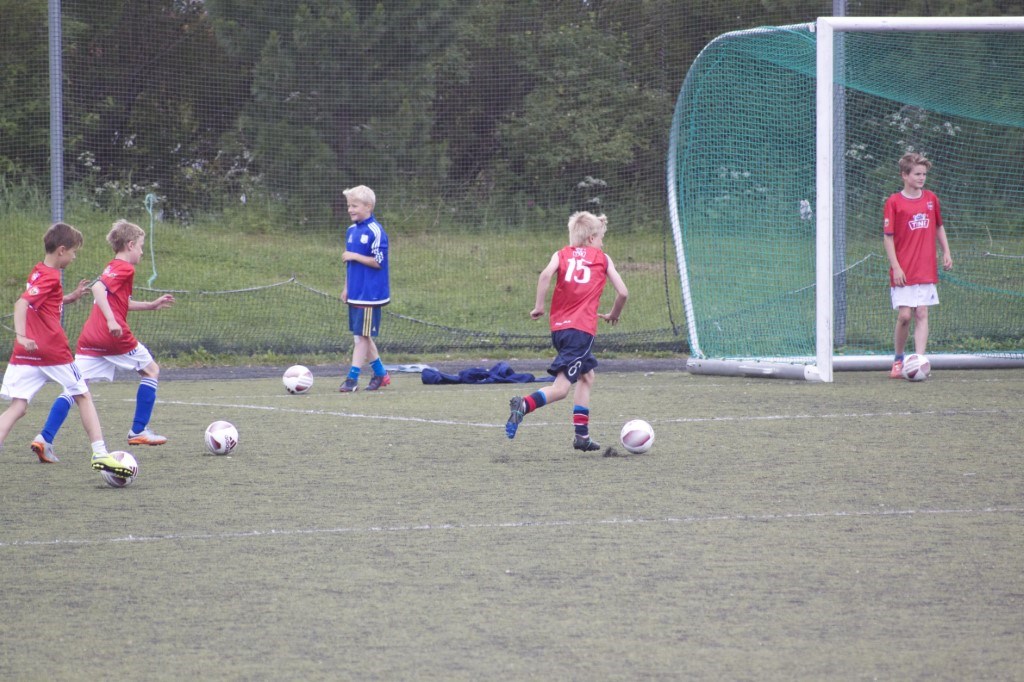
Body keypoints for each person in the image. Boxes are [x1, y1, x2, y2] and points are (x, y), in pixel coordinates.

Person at [30, 220, 175, 462]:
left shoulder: (112, 266)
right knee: (151, 370)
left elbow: (117, 300)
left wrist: (150, 305)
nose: (141, 251)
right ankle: (138, 430)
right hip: (112, 337)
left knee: (74, 386)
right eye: (140, 246)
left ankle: (45, 438)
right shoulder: (126, 269)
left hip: (90, 337)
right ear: (130, 245)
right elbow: (98, 289)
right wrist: (111, 321)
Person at [0, 222, 133, 478]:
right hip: (51, 350)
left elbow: (41, 300)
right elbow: (21, 304)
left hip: (25, 355)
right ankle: (100, 453)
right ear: (61, 250)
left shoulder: (39, 271)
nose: (74, 256)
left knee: (18, 406)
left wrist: (68, 298)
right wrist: (22, 335)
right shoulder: (51, 276)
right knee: (82, 395)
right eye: (73, 252)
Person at [505, 211, 628, 451]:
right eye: (601, 238)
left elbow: (545, 275)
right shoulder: (603, 258)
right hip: (580, 331)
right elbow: (623, 293)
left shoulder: (560, 254)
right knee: (561, 389)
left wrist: (539, 306)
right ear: (592, 238)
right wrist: (614, 314)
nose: (603, 243)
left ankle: (581, 436)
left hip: (559, 330)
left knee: (587, 375)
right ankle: (524, 405)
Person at [883, 152, 953, 378]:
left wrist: (946, 252)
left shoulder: (931, 199)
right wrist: (896, 267)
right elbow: (888, 237)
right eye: (917, 174)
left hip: (925, 268)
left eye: (924, 174)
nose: (922, 178)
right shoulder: (894, 202)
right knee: (905, 316)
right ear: (904, 175)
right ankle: (898, 359)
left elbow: (939, 227)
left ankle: (920, 362)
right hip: (904, 269)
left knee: (922, 312)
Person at [339, 185, 392, 392]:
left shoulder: (376, 231)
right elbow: (350, 266)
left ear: (368, 206)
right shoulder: (351, 231)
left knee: (361, 336)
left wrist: (354, 256)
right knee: (362, 334)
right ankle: (381, 374)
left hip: (370, 294)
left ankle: (352, 379)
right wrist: (346, 288)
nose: (350, 209)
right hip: (355, 292)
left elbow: (378, 261)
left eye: (354, 205)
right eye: (348, 206)